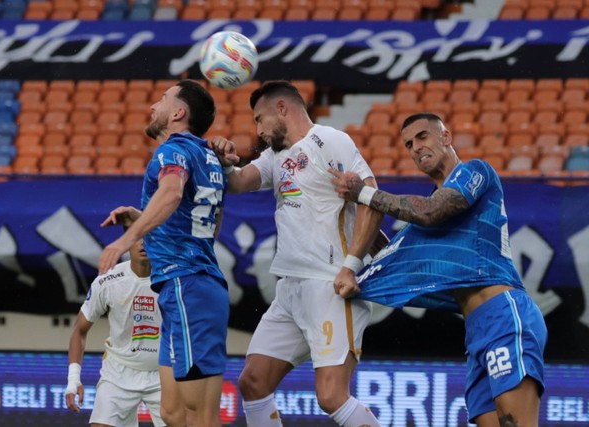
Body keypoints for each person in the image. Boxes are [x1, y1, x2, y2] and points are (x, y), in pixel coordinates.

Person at [330, 112, 547, 427]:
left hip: (505, 313)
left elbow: (433, 211)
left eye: (422, 136)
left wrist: (365, 194)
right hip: (476, 331)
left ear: (445, 137)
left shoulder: (475, 173)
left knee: (517, 423)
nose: (415, 147)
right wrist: (358, 219)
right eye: (408, 144)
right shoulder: (426, 216)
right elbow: (398, 255)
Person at [212, 80, 384, 427]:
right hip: (289, 290)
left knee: (332, 397)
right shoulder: (276, 157)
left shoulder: (329, 140)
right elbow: (240, 182)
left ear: (282, 109)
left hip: (330, 284)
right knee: (253, 383)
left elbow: (371, 198)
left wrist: (350, 267)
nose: (258, 130)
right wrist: (225, 163)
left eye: (260, 119)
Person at [98, 79, 228, 427]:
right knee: (172, 413)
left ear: (178, 112)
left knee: (200, 416)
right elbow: (203, 227)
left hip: (189, 286)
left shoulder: (172, 150)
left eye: (162, 98)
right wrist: (142, 218)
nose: (154, 105)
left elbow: (171, 193)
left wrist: (128, 238)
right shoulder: (206, 156)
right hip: (183, 287)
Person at [65, 229, 165, 427]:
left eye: (150, 237)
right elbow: (79, 329)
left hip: (164, 373)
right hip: (118, 373)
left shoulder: (173, 279)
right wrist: (73, 379)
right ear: (128, 242)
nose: (143, 244)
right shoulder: (107, 281)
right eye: (137, 238)